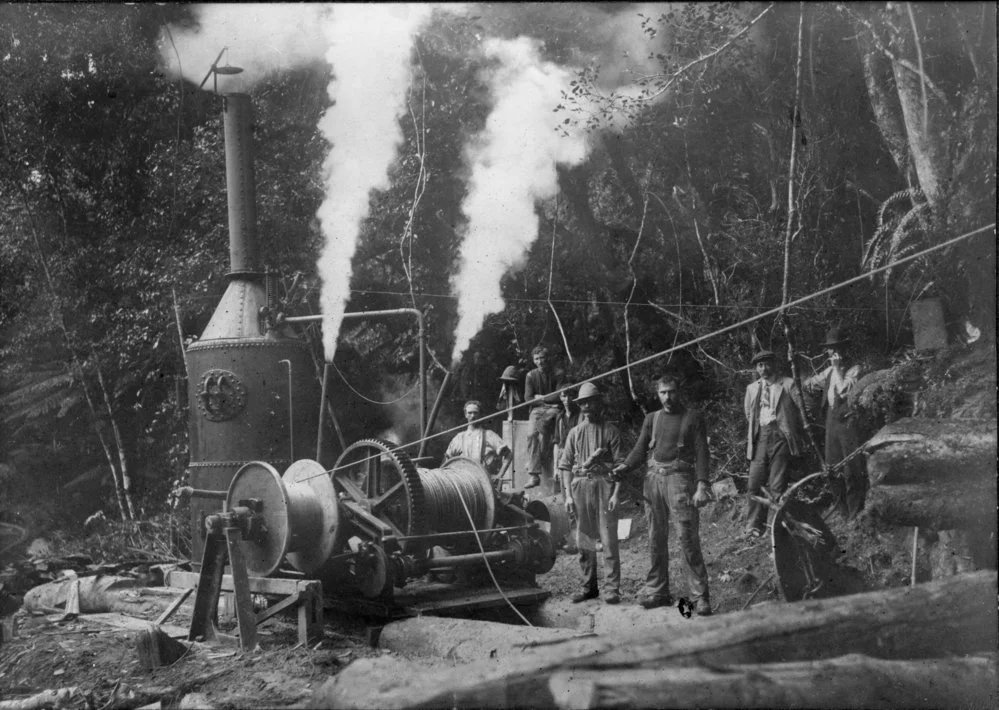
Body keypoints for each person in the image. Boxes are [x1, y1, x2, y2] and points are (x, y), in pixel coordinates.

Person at [613, 375, 713, 616]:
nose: (668, 397)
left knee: (687, 538)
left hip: (680, 481)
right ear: (657, 395)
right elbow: (639, 448)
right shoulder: (652, 418)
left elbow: (702, 453)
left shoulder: (693, 418)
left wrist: (701, 485)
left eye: (672, 391)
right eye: (663, 393)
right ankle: (658, 591)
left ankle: (699, 597)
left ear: (680, 391)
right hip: (653, 480)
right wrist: (624, 467)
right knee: (655, 537)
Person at [558, 382, 624, 605]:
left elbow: (620, 467)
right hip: (580, 488)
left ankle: (612, 588)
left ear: (599, 402)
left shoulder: (611, 431)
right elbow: (565, 466)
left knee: (608, 538)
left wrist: (616, 494)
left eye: (590, 401)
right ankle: (589, 587)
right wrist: (567, 495)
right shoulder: (574, 433)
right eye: (583, 403)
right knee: (584, 539)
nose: (587, 406)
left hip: (604, 486)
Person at [743, 350, 811, 540]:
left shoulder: (788, 384)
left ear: (774, 364)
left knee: (777, 485)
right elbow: (749, 414)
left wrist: (791, 428)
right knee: (754, 483)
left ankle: (775, 529)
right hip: (761, 438)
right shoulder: (752, 389)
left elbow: (804, 409)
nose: (763, 369)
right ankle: (753, 527)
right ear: (756, 369)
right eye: (759, 366)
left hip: (781, 437)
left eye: (767, 364)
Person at [804, 327, 868, 519]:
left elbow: (842, 391)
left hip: (848, 423)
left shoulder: (854, 370)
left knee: (852, 468)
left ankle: (855, 512)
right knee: (832, 469)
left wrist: (838, 368)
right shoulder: (828, 371)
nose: (831, 353)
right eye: (830, 349)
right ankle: (843, 512)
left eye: (835, 348)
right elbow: (810, 383)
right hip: (831, 422)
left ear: (843, 349)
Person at [524, 345, 563, 488]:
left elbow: (560, 396)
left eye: (542, 358)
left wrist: (541, 397)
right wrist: (548, 399)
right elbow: (528, 398)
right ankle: (534, 475)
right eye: (536, 359)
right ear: (533, 360)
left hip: (554, 408)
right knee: (531, 434)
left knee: (547, 428)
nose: (540, 362)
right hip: (537, 409)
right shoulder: (530, 375)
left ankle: (554, 467)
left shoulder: (558, 373)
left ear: (547, 358)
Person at [444, 400, 511, 480]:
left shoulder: (489, 435)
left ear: (480, 415)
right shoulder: (459, 438)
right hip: (465, 482)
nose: (472, 416)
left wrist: (499, 475)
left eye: (475, 413)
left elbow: (509, 454)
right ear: (465, 415)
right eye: (470, 413)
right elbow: (447, 460)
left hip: (485, 482)